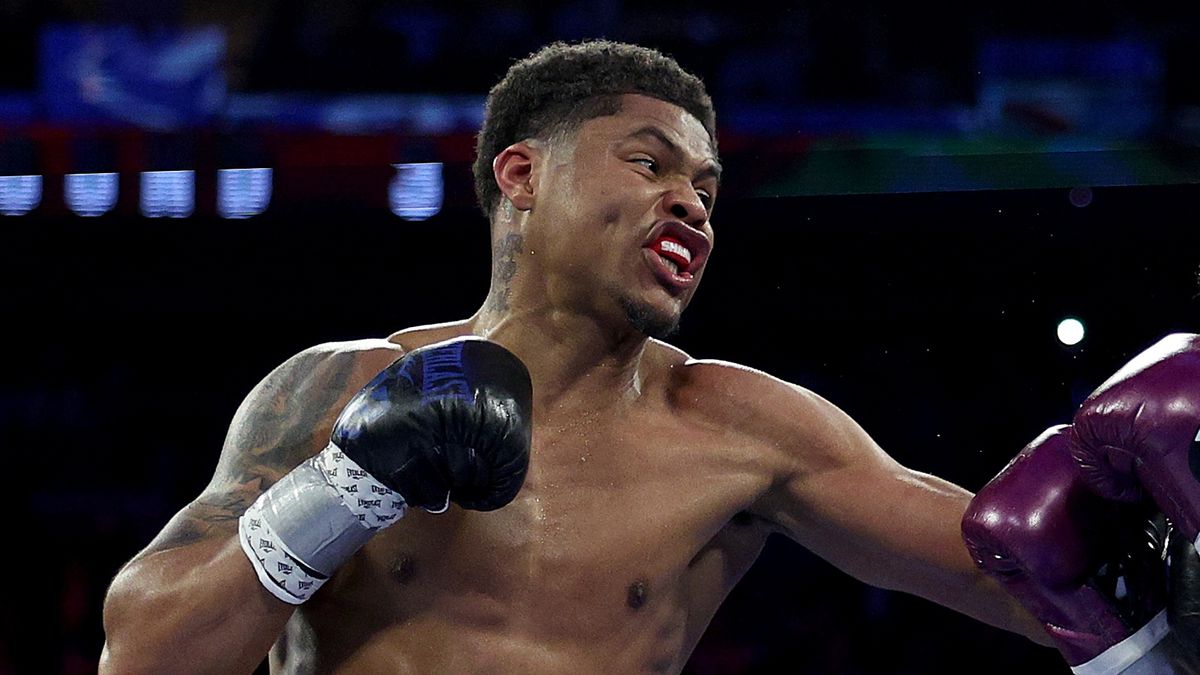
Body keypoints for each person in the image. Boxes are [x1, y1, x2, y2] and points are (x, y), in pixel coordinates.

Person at [99, 40, 1190, 674]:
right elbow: (143, 655)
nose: (692, 205)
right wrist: (344, 484)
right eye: (651, 163)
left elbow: (1031, 582)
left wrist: (1166, 535)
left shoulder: (748, 430)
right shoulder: (339, 387)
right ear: (521, 175)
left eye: (708, 189)